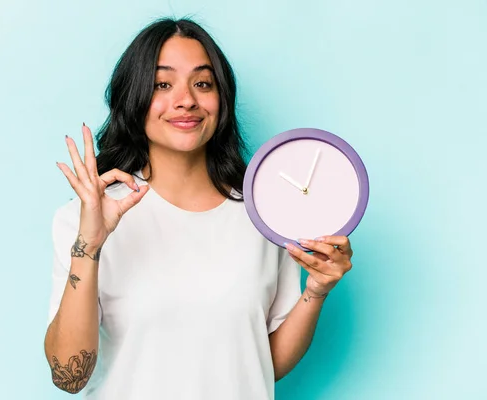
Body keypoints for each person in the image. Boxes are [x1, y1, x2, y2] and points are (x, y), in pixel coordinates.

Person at [43, 17, 354, 399]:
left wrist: (318, 289)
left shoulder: (264, 214)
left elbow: (261, 362)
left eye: (202, 83)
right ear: (135, 97)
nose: (186, 99)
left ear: (221, 98)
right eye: (162, 84)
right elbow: (68, 377)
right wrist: (88, 246)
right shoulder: (85, 218)